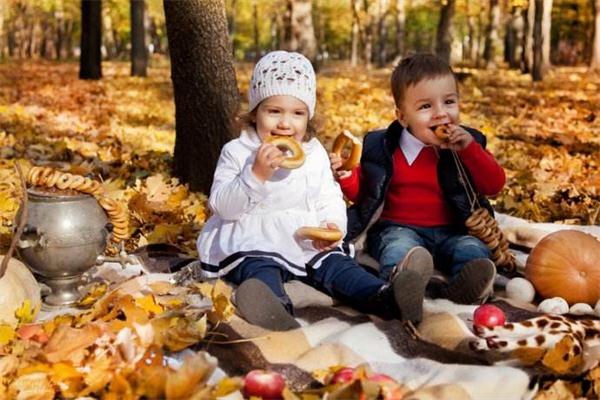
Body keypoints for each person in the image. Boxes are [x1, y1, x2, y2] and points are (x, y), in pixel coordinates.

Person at [196, 51, 430, 331]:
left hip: (304, 237)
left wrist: (332, 226)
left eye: (297, 113)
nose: (285, 123)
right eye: (274, 111)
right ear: (255, 111)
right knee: (259, 268)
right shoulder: (238, 151)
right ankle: (273, 309)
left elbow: (327, 197)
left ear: (308, 117)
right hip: (253, 236)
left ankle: (387, 298)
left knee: (339, 266)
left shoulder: (314, 152)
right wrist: (255, 175)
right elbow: (221, 206)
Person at [330, 53, 506, 305]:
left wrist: (470, 151)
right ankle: (402, 286)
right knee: (399, 248)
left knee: (471, 249)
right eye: (425, 106)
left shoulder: (468, 145)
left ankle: (467, 289)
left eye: (449, 102)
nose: (440, 114)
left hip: (453, 230)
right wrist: (347, 177)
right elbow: (366, 194)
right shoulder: (383, 147)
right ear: (402, 117)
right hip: (398, 227)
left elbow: (494, 185)